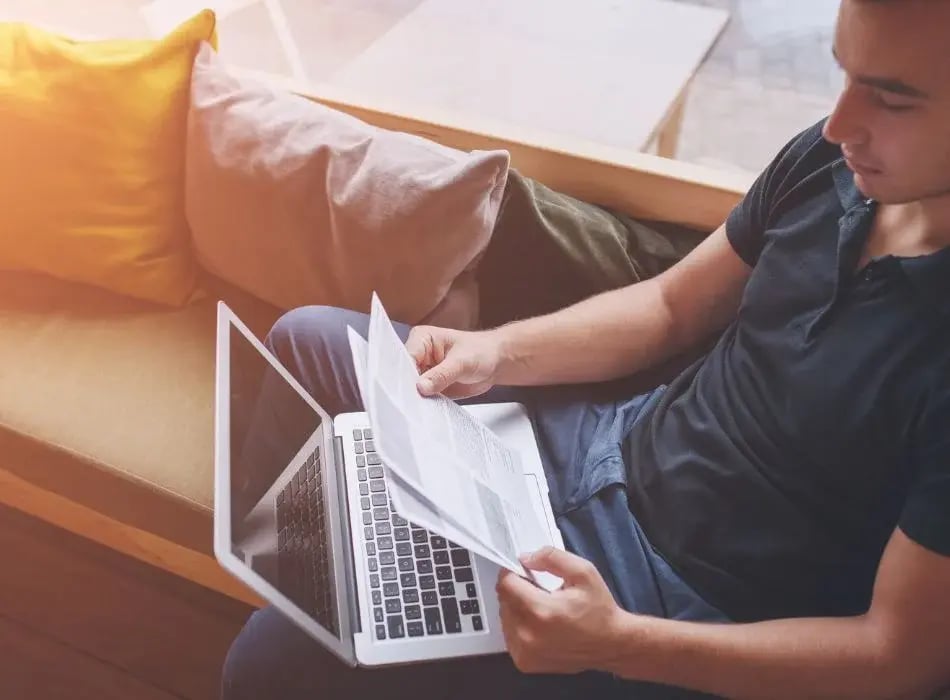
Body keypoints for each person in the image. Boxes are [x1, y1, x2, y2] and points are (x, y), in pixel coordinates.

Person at [220, 1, 950, 697]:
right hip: (604, 443)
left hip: (669, 599)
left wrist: (616, 642)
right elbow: (669, 308)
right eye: (843, 74)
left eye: (892, 99)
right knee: (306, 343)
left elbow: (895, 657)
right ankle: (338, 599)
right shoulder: (827, 168)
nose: (839, 124)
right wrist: (494, 351)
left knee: (266, 662)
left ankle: (346, 632)